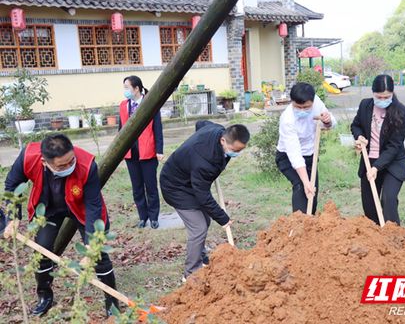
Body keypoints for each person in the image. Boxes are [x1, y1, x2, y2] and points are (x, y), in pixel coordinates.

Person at [1, 134, 119, 317]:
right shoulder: (28, 157)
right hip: (48, 208)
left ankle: (112, 303)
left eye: (71, 161)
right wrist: (12, 218)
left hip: (81, 208)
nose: (69, 167)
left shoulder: (87, 165)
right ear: (44, 161)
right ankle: (45, 297)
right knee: (41, 252)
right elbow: (12, 184)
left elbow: (94, 205)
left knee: (99, 255)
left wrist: (91, 246)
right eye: (62, 166)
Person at [159, 121, 250, 280]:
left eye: (240, 151)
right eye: (234, 151)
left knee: (205, 221)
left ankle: (202, 256)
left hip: (191, 180)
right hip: (175, 187)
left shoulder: (216, 130)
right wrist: (223, 218)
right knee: (199, 227)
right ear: (223, 141)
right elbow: (202, 195)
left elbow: (200, 124)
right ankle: (191, 273)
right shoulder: (205, 162)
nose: (236, 154)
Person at [350, 74, 405, 225]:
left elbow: (394, 145)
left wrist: (377, 167)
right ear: (373, 93)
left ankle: (393, 235)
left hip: (392, 162)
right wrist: (359, 137)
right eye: (379, 97)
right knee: (370, 206)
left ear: (392, 93)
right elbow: (355, 125)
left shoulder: (401, 112)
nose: (383, 101)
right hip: (369, 160)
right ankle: (377, 237)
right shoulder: (365, 105)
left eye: (386, 97)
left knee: (388, 199)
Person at [276, 82, 336, 215]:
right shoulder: (287, 119)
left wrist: (327, 121)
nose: (302, 110)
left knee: (312, 192)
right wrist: (305, 181)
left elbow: (332, 123)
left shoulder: (317, 104)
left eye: (306, 107)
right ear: (292, 102)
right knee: (301, 186)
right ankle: (299, 224)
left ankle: (310, 224)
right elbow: (294, 154)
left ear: (313, 101)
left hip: (310, 156)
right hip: (287, 157)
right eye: (298, 107)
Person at [119, 75, 164, 229]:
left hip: (148, 151)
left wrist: (159, 150)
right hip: (131, 153)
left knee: (150, 186)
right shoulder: (123, 106)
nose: (125, 91)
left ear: (137, 88)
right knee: (137, 187)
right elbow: (121, 130)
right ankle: (142, 217)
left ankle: (154, 217)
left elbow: (158, 128)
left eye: (127, 87)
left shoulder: (150, 104)